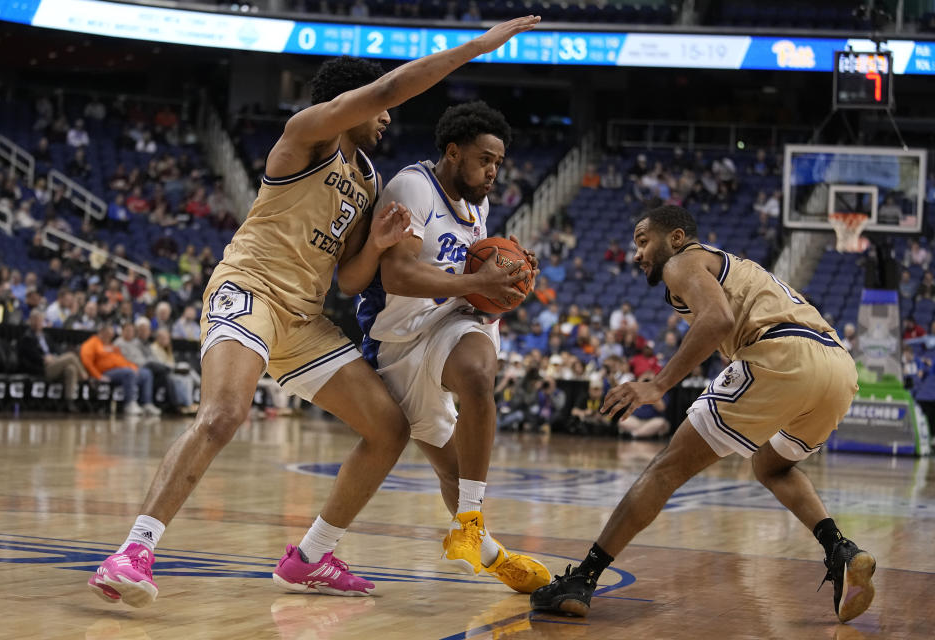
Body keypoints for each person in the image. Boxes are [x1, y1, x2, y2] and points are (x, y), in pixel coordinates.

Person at [88, 15, 542, 609]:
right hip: (250, 291)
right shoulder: (307, 135)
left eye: (384, 107)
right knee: (224, 415)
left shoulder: (368, 177)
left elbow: (349, 278)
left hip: (303, 317)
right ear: (347, 104)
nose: (387, 117)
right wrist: (477, 48)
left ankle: (310, 557)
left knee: (389, 428)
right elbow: (385, 91)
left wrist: (377, 244)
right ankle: (135, 549)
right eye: (377, 108)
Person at [531, 205, 875, 624]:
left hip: (781, 353)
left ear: (675, 238)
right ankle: (840, 549)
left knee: (664, 470)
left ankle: (582, 579)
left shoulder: (683, 261)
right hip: (838, 367)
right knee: (771, 466)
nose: (636, 254)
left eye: (643, 241)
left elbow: (717, 319)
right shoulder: (729, 265)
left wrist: (656, 385)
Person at [357, 101, 550, 594]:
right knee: (454, 469)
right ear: (452, 151)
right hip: (398, 340)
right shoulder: (411, 188)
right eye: (485, 160)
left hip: (452, 320)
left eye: (498, 164)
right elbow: (397, 273)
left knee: (477, 374)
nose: (493, 173)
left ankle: (467, 522)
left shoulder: (477, 205)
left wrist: (502, 284)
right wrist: (477, 281)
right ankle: (488, 550)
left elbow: (473, 282)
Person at [80, 323, 160, 417]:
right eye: (107, 334)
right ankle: (129, 404)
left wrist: (133, 367)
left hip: (121, 370)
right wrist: (98, 376)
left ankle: (146, 403)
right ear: (101, 333)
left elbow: (121, 360)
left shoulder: (111, 346)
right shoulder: (91, 344)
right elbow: (87, 362)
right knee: (128, 373)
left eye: (111, 335)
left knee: (146, 373)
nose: (109, 337)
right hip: (105, 373)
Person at [17, 309, 88, 411]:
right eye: (36, 320)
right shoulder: (27, 337)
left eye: (40, 320)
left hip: (54, 364)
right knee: (71, 356)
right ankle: (84, 377)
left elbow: (58, 350)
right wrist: (43, 358)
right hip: (41, 368)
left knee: (71, 369)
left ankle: (69, 402)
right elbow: (30, 356)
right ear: (31, 321)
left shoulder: (46, 336)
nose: (38, 323)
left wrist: (53, 358)